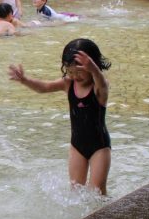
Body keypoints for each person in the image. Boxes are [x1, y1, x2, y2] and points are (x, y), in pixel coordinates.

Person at [8, 38, 112, 194]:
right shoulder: (69, 83)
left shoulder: (99, 88)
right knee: (75, 190)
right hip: (77, 145)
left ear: (92, 67)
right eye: (70, 71)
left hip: (100, 147)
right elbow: (44, 87)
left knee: (97, 191)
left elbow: (102, 84)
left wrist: (94, 69)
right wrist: (24, 80)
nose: (75, 76)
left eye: (80, 72)